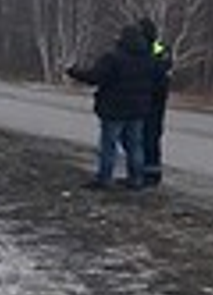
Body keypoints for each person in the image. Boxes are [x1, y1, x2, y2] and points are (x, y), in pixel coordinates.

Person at [66, 24, 157, 189]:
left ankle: (105, 178)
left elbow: (95, 77)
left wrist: (74, 72)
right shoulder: (148, 58)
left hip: (114, 108)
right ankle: (136, 178)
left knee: (109, 145)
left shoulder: (113, 58)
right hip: (138, 109)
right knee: (135, 145)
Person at [138, 17, 172, 186]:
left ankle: (149, 174)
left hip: (151, 97)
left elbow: (162, 64)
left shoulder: (152, 48)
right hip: (157, 97)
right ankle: (151, 172)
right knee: (151, 136)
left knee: (148, 136)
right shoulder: (158, 47)